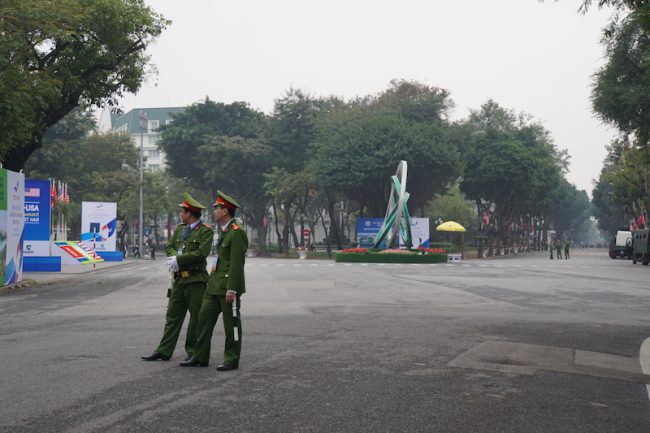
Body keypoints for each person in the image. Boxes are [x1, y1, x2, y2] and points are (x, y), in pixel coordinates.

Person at [180, 190, 248, 371]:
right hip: (214, 286)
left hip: (227, 288)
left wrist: (232, 288)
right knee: (203, 319)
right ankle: (200, 356)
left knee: (231, 325)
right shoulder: (225, 232)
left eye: (217, 208)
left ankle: (231, 359)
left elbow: (236, 264)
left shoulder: (237, 233)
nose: (214, 211)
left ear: (225, 211)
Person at [141, 193, 213, 362]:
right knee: (172, 316)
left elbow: (201, 253)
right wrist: (174, 257)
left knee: (196, 318)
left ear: (190, 213)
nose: (181, 214)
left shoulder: (205, 231)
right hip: (179, 279)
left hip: (196, 280)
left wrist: (179, 260)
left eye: (183, 211)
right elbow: (170, 246)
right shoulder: (181, 229)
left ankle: (193, 351)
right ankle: (164, 350)